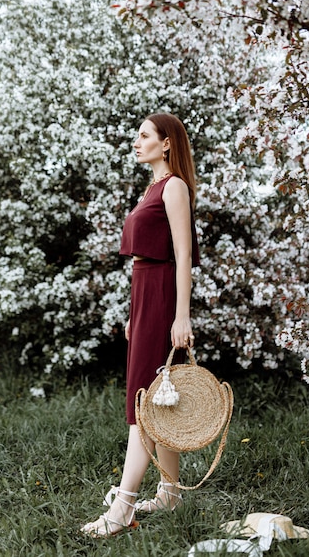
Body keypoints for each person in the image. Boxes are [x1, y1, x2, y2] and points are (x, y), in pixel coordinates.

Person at [81, 112, 200, 537]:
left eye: (144, 135)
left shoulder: (174, 187)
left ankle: (122, 509)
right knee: (157, 397)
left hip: (164, 294)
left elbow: (182, 256)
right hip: (144, 294)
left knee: (143, 404)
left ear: (166, 143)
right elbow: (144, 257)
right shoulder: (151, 187)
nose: (137, 141)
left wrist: (180, 315)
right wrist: (135, 313)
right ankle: (169, 493)